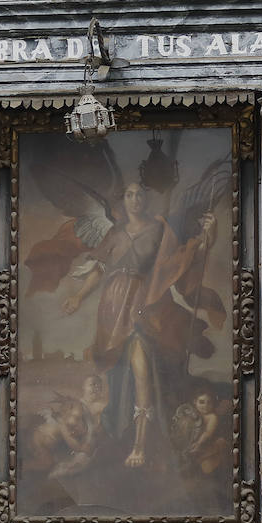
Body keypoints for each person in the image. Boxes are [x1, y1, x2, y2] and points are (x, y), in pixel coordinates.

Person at [62, 181, 217, 471]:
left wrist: (205, 240)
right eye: (129, 195)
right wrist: (78, 297)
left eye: (140, 195)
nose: (135, 200)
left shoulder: (159, 229)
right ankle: (120, 432)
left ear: (145, 200)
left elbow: (175, 263)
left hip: (144, 302)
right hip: (113, 305)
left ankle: (140, 445)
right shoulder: (115, 233)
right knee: (122, 374)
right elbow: (99, 268)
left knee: (142, 368)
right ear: (123, 201)